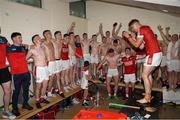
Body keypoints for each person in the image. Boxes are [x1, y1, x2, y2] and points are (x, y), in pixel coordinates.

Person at [122, 19, 162, 103]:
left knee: (144, 75)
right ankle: (149, 94)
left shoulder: (142, 29)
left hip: (153, 54)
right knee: (148, 74)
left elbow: (136, 45)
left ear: (136, 24)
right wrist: (133, 37)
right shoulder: (145, 29)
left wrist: (128, 37)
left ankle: (147, 97)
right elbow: (141, 47)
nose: (132, 30)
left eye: (132, 28)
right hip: (156, 54)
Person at [7, 32, 33, 116]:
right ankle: (15, 109)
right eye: (19, 37)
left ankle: (25, 104)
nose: (21, 39)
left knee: (26, 90)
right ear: (14, 39)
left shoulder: (23, 48)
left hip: (25, 73)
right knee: (16, 92)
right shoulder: (9, 48)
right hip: (16, 74)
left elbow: (26, 57)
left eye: (21, 37)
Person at [26, 35, 50, 109]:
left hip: (45, 68)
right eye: (37, 38)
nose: (39, 38)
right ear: (34, 41)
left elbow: (46, 58)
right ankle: (37, 100)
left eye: (39, 37)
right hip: (38, 69)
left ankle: (42, 98)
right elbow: (25, 59)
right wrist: (30, 68)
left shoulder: (42, 48)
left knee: (45, 84)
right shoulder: (32, 50)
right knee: (38, 86)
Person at [157, 25, 180, 91]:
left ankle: (174, 87)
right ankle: (170, 86)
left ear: (178, 38)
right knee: (170, 75)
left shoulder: (179, 43)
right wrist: (160, 30)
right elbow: (164, 37)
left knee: (175, 75)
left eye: (176, 37)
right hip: (170, 61)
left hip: (177, 61)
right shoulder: (169, 43)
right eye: (173, 36)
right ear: (171, 38)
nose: (174, 37)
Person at [0, 30, 16, 119]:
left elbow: (10, 49)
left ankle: (6, 111)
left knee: (8, 91)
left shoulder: (3, 39)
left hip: (3, 69)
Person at [42, 30, 56, 97]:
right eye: (48, 33)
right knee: (46, 79)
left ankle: (49, 92)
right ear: (45, 35)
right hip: (48, 63)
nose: (50, 34)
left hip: (53, 62)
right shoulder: (43, 43)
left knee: (52, 78)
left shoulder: (52, 42)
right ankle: (44, 94)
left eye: (50, 33)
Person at [52, 31, 65, 97]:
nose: (60, 35)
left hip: (60, 60)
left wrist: (71, 27)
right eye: (59, 35)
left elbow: (67, 35)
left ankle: (56, 88)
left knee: (59, 75)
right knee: (58, 76)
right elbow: (44, 40)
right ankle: (60, 91)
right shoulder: (53, 41)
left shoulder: (61, 41)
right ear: (55, 36)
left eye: (61, 34)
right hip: (55, 61)